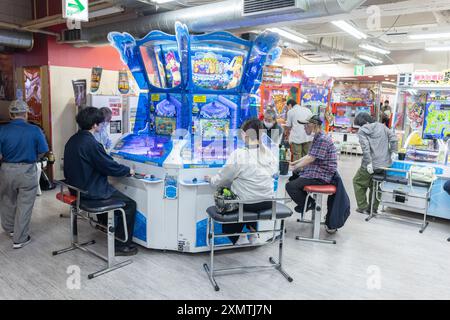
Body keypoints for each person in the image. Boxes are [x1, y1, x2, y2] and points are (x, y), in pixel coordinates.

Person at [64, 107, 137, 256]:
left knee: (111, 190)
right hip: (90, 193)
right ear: (95, 125)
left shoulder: (73, 139)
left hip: (76, 189)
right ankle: (121, 245)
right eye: (102, 123)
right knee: (130, 205)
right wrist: (127, 171)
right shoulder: (91, 144)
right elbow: (108, 166)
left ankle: (104, 227)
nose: (103, 126)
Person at [205, 118, 278, 245]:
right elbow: (273, 172)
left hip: (247, 203)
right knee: (250, 194)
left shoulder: (239, 154)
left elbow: (222, 178)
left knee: (233, 200)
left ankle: (237, 237)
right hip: (268, 201)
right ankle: (253, 232)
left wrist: (211, 180)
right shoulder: (268, 152)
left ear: (244, 134)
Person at [0, 100, 49, 249]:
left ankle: (10, 229)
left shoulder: (2, 130)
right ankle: (20, 238)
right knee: (25, 204)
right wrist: (34, 157)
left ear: (10, 114)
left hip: (7, 170)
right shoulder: (34, 130)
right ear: (26, 114)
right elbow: (43, 150)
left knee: (7, 200)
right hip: (27, 170)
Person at [286, 115, 337, 215]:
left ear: (314, 125)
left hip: (321, 176)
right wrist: (293, 163)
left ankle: (308, 203)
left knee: (290, 186)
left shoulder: (322, 139)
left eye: (306, 125)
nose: (304, 128)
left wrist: (293, 167)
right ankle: (306, 202)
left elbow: (310, 158)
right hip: (317, 170)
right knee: (293, 176)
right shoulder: (318, 136)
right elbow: (309, 155)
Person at [352, 112, 398, 214]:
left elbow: (366, 148)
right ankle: (373, 208)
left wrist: (368, 163)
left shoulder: (362, 130)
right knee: (376, 185)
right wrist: (394, 151)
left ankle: (363, 207)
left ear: (363, 122)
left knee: (358, 182)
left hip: (370, 164)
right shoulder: (382, 127)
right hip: (385, 165)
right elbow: (394, 138)